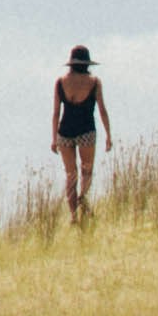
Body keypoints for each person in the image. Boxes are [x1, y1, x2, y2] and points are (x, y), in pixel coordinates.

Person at [51, 45, 113, 215]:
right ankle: (82, 198)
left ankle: (73, 216)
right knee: (87, 170)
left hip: (64, 132)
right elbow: (102, 110)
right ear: (87, 63)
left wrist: (53, 138)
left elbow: (56, 112)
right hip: (86, 131)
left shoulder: (60, 82)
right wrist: (108, 135)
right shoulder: (94, 82)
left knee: (71, 175)